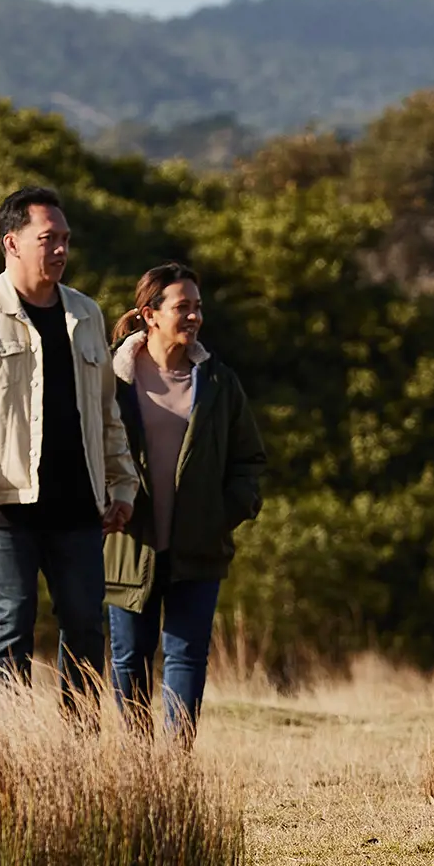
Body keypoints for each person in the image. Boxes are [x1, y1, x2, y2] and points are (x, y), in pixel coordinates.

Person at [0, 185, 139, 704]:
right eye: (49, 238)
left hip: (78, 506)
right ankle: (4, 753)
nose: (62, 249)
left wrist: (123, 485)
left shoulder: (86, 315)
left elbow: (107, 412)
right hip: (4, 506)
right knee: (12, 625)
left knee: (86, 629)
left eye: (66, 239)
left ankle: (80, 750)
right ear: (12, 243)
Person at [104, 263, 266, 740]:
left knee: (187, 653)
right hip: (129, 543)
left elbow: (249, 459)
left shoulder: (217, 382)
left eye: (198, 307)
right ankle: (138, 764)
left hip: (198, 543)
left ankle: (176, 767)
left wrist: (226, 513)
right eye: (183, 307)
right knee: (130, 656)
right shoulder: (112, 378)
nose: (194, 316)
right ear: (149, 315)